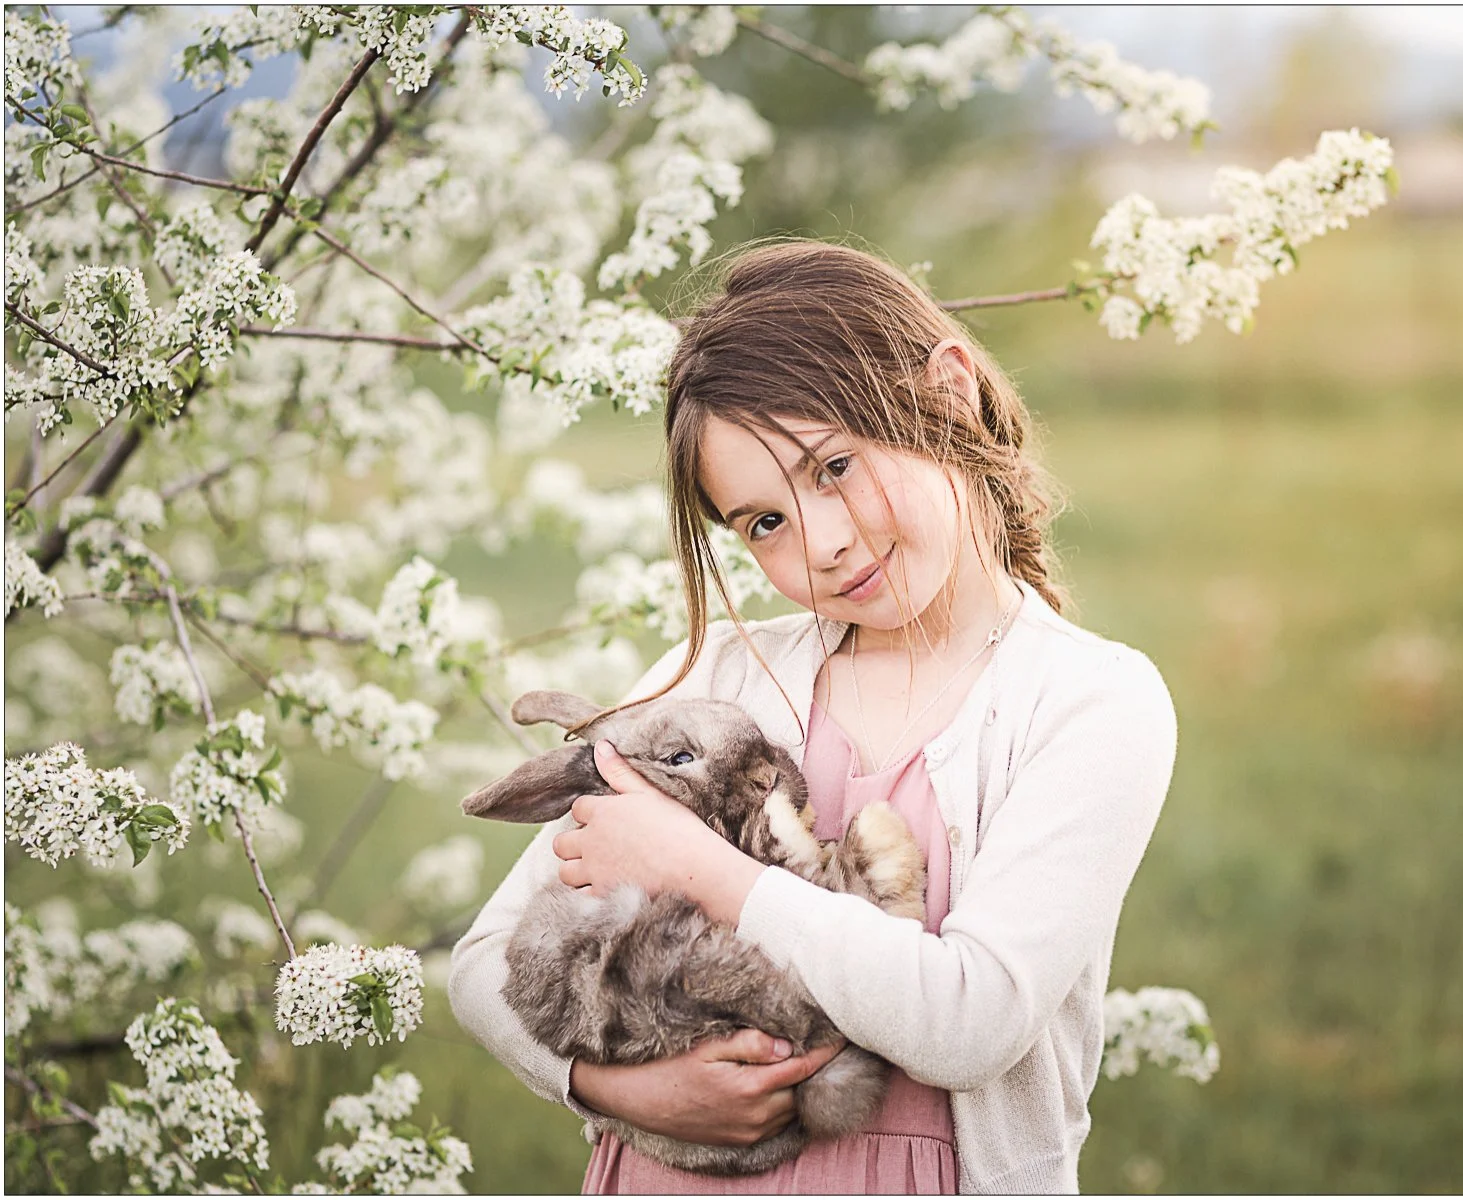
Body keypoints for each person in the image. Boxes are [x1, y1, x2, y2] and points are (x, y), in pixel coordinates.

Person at [448, 240, 1177, 1195]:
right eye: (764, 523)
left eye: (834, 466)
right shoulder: (713, 681)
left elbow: (974, 1023)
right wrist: (614, 1090)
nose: (824, 544)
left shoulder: (1088, 702)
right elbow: (480, 965)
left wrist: (699, 871)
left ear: (949, 394)